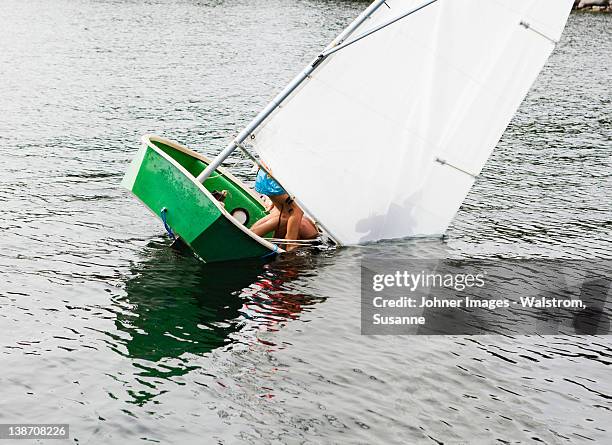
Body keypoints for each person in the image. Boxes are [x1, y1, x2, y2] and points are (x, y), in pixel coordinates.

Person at [250, 167, 317, 250]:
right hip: (273, 180)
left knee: (283, 215)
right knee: (296, 211)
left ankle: (251, 232)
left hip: (265, 176)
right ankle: (291, 243)